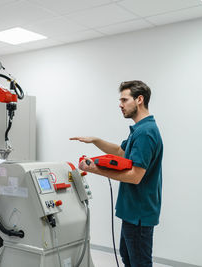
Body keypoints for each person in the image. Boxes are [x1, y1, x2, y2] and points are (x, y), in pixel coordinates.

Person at [70, 80, 163, 267]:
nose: (120, 105)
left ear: (139, 100)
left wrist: (95, 169)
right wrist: (95, 140)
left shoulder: (145, 133)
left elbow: (135, 176)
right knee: (128, 258)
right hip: (133, 212)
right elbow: (121, 152)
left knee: (139, 262)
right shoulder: (140, 129)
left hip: (139, 213)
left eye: (124, 99)